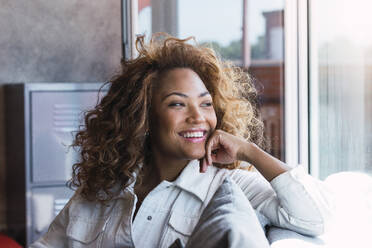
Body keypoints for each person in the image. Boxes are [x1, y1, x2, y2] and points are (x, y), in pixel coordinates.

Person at [31, 34, 332, 248]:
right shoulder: (104, 189)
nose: (197, 117)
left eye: (205, 104)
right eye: (177, 104)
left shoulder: (229, 188)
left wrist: (248, 150)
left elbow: (315, 218)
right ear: (144, 117)